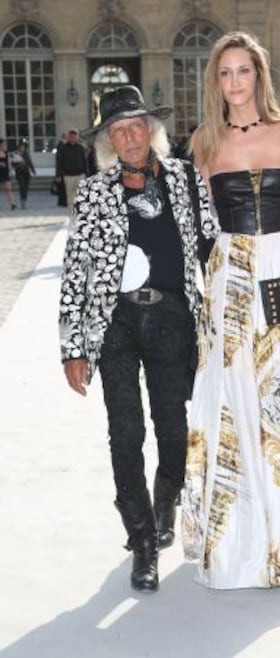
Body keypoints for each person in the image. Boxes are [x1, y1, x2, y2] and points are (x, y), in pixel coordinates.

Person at [58, 85, 218, 592]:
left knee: (173, 427)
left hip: (173, 315)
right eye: (117, 130)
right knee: (125, 433)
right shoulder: (93, 191)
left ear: (151, 130)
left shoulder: (185, 178)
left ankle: (166, 495)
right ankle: (143, 543)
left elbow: (215, 243)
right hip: (117, 324)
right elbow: (74, 271)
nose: (129, 137)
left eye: (136, 126)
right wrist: (73, 347)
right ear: (107, 140)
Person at [182, 31, 280, 589]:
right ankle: (239, 545)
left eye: (244, 71)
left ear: (259, 76)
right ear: (215, 81)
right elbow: (199, 224)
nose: (235, 82)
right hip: (231, 275)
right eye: (225, 73)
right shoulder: (204, 142)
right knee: (234, 398)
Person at [55, 128, 87, 211]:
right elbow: (59, 162)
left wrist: (87, 174)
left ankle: (80, 212)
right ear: (68, 137)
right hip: (68, 175)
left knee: (81, 194)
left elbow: (84, 162)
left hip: (80, 175)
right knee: (70, 196)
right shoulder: (63, 148)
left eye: (74, 136)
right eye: (71, 136)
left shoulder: (81, 148)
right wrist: (58, 175)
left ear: (77, 137)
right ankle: (71, 213)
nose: (72, 138)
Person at [11, 140, 36, 209]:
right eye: (21, 147)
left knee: (26, 188)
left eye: (23, 147)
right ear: (18, 147)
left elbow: (30, 162)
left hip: (26, 172)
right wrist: (19, 164)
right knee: (22, 187)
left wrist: (33, 170)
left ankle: (24, 201)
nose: (22, 148)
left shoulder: (26, 154)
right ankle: (22, 202)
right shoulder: (15, 154)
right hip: (19, 172)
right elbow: (12, 164)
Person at [0, 138, 17, 210]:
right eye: (3, 143)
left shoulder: (6, 152)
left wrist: (11, 170)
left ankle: (12, 203)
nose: (4, 145)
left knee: (9, 188)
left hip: (5, 172)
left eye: (5, 144)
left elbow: (9, 162)